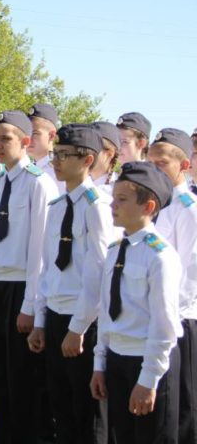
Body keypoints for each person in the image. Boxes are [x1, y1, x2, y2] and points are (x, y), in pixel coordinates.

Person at [27, 124, 113, 444]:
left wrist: (78, 328)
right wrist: (40, 321)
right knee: (61, 404)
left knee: (87, 413)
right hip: (56, 315)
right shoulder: (58, 205)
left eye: (64, 155)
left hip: (84, 322)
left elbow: (99, 271)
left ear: (88, 160)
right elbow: (47, 268)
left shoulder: (97, 207)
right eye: (55, 154)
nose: (56, 162)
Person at [0, 110, 58, 443]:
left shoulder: (39, 183)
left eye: (6, 139)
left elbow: (40, 252)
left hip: (22, 288)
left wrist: (31, 306)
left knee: (23, 377)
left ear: (25, 141)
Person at [90, 162, 181, 444]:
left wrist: (149, 379)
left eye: (122, 199)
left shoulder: (160, 256)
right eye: (114, 197)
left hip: (147, 362)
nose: (112, 205)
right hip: (117, 358)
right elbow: (106, 312)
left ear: (148, 206)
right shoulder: (115, 249)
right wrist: (100, 364)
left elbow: (164, 326)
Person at [147, 129, 197, 443]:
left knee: (184, 402)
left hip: (180, 319)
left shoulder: (188, 209)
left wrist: (168, 319)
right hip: (153, 318)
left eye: (162, 163)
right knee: (162, 402)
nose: (155, 170)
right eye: (150, 163)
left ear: (184, 165)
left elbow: (190, 274)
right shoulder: (153, 204)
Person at [28, 103, 65, 194]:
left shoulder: (60, 169)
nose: (28, 138)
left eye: (35, 133)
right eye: (27, 133)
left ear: (51, 135)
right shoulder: (28, 168)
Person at [90, 121, 121, 194]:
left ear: (110, 153)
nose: (87, 152)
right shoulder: (72, 181)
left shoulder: (119, 187)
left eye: (92, 147)